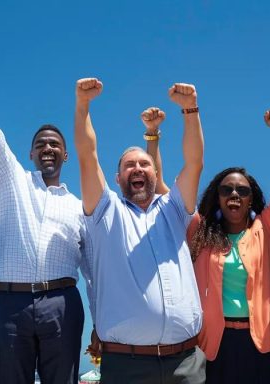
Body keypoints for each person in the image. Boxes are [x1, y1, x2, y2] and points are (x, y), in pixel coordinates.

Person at [0, 43, 91, 384]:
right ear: (31, 154)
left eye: (54, 144)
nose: (48, 148)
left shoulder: (80, 206)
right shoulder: (12, 181)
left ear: (65, 155)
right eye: (41, 144)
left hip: (62, 304)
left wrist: (103, 323)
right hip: (10, 304)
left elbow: (93, 271)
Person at [75, 77, 205, 383]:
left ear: (156, 173)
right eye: (129, 165)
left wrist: (190, 111)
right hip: (126, 365)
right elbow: (87, 156)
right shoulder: (106, 211)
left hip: (186, 362)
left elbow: (194, 162)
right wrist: (82, 106)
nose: (137, 168)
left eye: (144, 164)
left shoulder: (174, 208)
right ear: (117, 179)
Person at [181, 108, 270, 384]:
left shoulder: (265, 230)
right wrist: (153, 138)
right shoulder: (199, 231)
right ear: (217, 197)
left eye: (242, 191)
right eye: (227, 190)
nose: (234, 194)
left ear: (251, 198)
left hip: (260, 344)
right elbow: (173, 193)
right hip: (212, 346)